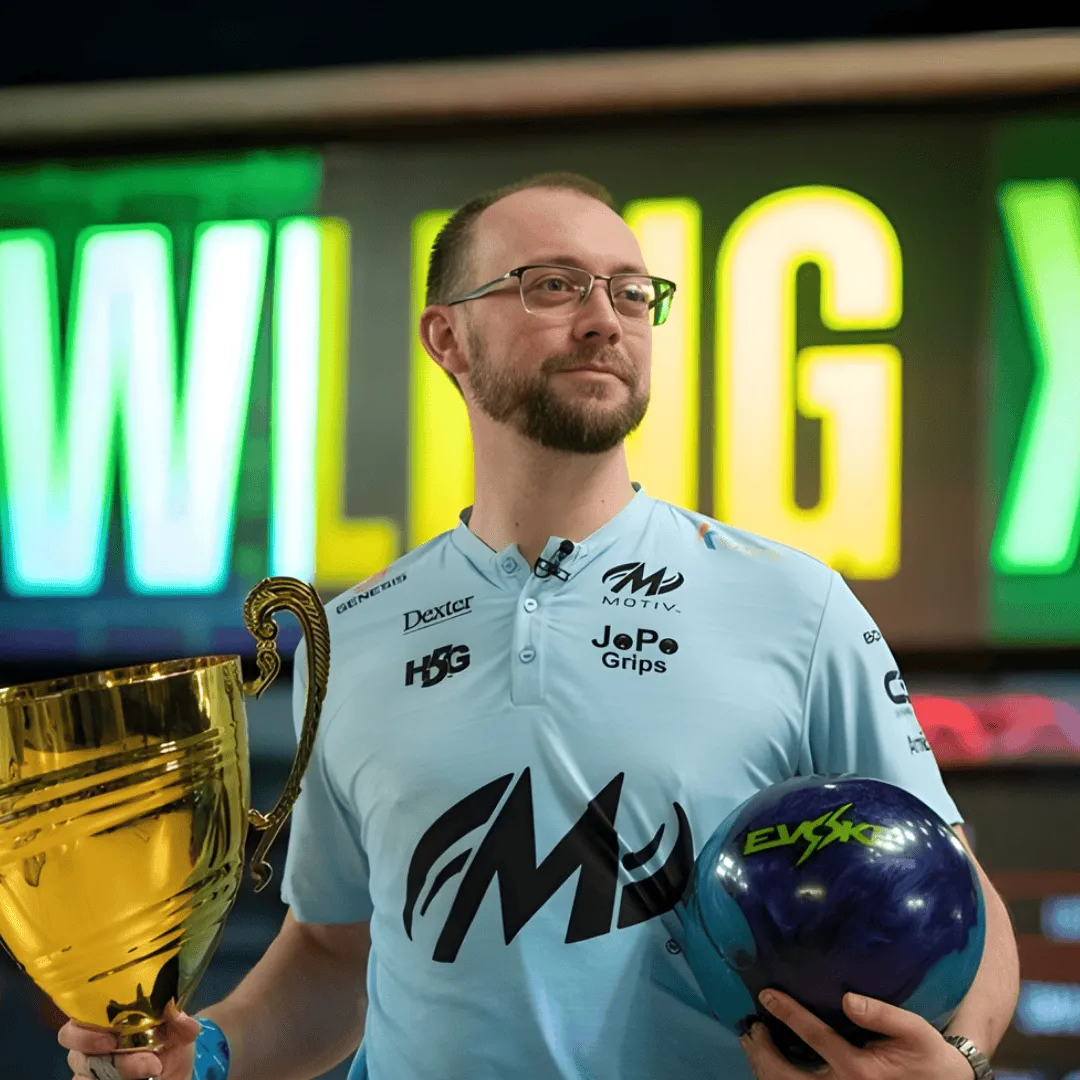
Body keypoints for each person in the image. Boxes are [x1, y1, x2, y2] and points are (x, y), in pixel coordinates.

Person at [61, 172, 1020, 1080]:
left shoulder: (794, 606)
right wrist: (206, 1055)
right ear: (447, 338)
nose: (605, 318)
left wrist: (962, 1061)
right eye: (553, 285)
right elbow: (335, 951)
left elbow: (961, 898)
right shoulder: (346, 640)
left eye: (633, 293)